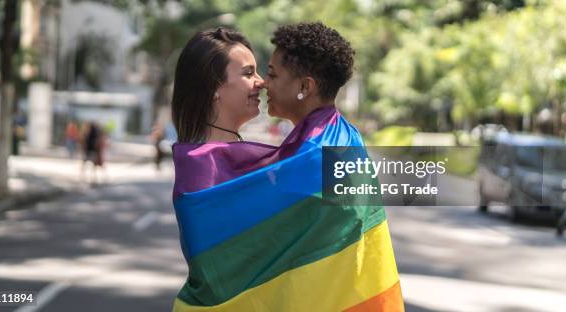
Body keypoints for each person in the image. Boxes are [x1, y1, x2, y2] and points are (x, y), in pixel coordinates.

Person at [171, 23, 403, 311]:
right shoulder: (208, 166)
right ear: (213, 87)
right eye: (249, 73)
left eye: (268, 73)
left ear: (305, 86)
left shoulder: (316, 154)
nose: (262, 83)